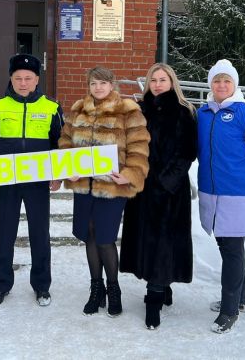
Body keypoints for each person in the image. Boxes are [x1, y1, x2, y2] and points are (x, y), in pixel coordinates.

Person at [58, 66, 150, 318]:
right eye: (93, 84)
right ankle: (95, 289)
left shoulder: (127, 110)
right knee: (89, 234)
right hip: (83, 186)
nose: (97, 88)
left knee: (105, 237)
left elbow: (139, 149)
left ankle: (113, 288)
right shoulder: (78, 109)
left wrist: (129, 175)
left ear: (112, 85)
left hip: (112, 186)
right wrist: (68, 168)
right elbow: (65, 142)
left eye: (102, 83)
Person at [0, 54, 64, 307]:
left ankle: (42, 286)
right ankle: (2, 284)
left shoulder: (51, 107)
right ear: (11, 79)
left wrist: (58, 174)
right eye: (18, 78)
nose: (23, 83)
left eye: (28, 78)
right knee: (6, 232)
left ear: (37, 80)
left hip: (38, 181)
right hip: (8, 179)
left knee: (40, 233)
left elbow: (61, 143)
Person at [197, 59, 245, 334]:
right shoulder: (203, 114)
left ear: (235, 85)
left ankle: (230, 310)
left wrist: (242, 176)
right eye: (217, 80)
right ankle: (243, 298)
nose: (221, 85)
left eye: (226, 80)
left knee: (231, 250)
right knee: (227, 247)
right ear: (211, 84)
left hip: (237, 194)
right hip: (211, 191)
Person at [120, 63, 197, 330]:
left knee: (163, 245)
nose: (157, 84)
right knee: (145, 242)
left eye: (163, 80)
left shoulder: (184, 112)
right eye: (154, 80)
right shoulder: (140, 110)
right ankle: (161, 286)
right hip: (142, 189)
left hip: (169, 192)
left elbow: (187, 152)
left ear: (172, 82)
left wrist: (166, 182)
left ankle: (154, 299)